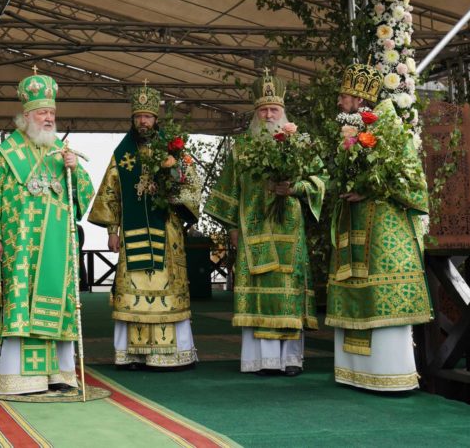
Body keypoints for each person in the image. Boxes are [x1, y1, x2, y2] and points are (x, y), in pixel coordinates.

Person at [0, 69, 94, 396]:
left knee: (56, 304)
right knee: (21, 305)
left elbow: (84, 196)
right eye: (42, 113)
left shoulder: (60, 153)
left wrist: (74, 171)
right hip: (20, 247)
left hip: (55, 245)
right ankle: (18, 378)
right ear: (26, 116)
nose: (48, 118)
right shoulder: (8, 154)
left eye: (51, 113)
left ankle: (59, 375)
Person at [205, 71, 325, 376]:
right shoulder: (240, 146)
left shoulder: (300, 143)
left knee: (288, 289)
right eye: (263, 110)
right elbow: (229, 189)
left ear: (282, 111)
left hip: (289, 228)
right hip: (251, 228)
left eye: (273, 109)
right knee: (258, 290)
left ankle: (290, 360)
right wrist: (231, 228)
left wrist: (296, 188)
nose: (268, 114)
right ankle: (260, 360)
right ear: (255, 113)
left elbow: (322, 181)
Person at [325, 62, 432, 391]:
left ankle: (389, 374)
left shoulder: (388, 124)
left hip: (384, 224)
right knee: (357, 286)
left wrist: (369, 188)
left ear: (360, 99)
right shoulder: (351, 127)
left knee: (379, 290)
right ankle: (356, 372)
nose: (340, 101)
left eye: (344, 95)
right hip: (356, 218)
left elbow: (408, 177)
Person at [88, 84, 200, 370]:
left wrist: (175, 193)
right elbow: (110, 193)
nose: (143, 122)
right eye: (138, 116)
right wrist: (111, 231)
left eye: (148, 117)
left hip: (168, 230)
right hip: (131, 231)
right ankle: (132, 354)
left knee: (168, 286)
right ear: (133, 119)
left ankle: (174, 354)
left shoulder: (173, 148)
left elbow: (193, 186)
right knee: (133, 288)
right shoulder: (122, 153)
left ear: (156, 119)